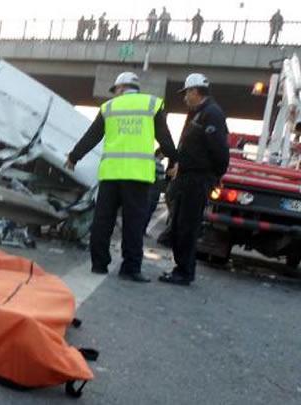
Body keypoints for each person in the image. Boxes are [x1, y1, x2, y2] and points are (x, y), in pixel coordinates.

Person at [65, 72, 179, 283]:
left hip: (111, 174)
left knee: (103, 220)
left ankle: (99, 264)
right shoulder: (151, 105)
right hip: (137, 176)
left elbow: (92, 136)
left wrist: (73, 157)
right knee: (133, 223)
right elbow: (165, 139)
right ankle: (130, 268)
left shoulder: (109, 108)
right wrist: (176, 160)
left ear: (120, 88)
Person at [159, 73, 230, 286]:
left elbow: (219, 151)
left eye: (186, 93)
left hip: (197, 180)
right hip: (189, 177)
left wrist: (211, 176)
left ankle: (184, 271)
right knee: (180, 225)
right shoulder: (199, 114)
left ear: (195, 91)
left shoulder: (211, 114)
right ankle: (181, 268)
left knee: (187, 226)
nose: (184, 98)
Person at [143, 149, 167, 235]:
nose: (164, 156)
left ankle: (139, 229)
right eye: (163, 154)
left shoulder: (148, 160)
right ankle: (143, 230)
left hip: (146, 188)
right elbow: (161, 180)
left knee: (144, 210)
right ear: (160, 154)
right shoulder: (159, 165)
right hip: (154, 190)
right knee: (149, 210)